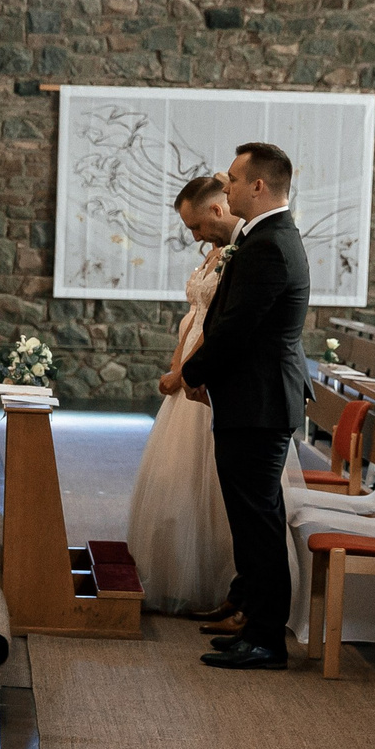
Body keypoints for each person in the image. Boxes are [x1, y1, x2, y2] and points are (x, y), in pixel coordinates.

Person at [177, 142, 312, 670]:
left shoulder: (271, 244)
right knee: (250, 519)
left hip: (258, 403)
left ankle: (267, 638)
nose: (225, 185)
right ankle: (256, 623)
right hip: (252, 400)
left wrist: (193, 372)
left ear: (258, 185)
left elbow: (237, 328)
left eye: (233, 178)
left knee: (258, 522)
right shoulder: (264, 237)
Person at [131, 176, 240, 615]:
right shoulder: (214, 254)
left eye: (196, 226)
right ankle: (178, 576)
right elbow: (193, 315)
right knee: (176, 481)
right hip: (189, 367)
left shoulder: (238, 255)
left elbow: (219, 326)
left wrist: (188, 373)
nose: (194, 237)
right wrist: (175, 366)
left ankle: (216, 582)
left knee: (208, 483)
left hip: (211, 377)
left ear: (216, 210)